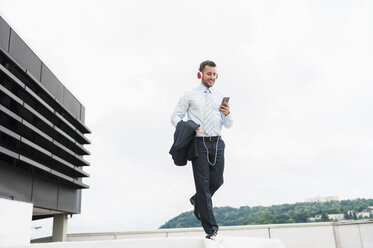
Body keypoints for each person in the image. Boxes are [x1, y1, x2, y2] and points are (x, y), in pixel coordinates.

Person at [170, 60, 233, 239]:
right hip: (198, 144)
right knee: (203, 186)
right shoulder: (189, 95)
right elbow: (175, 116)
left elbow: (229, 124)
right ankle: (211, 229)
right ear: (200, 74)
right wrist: (188, 125)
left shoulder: (220, 95)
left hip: (218, 143)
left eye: (214, 74)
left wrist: (227, 113)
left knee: (218, 180)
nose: (212, 77)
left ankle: (197, 200)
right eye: (208, 74)